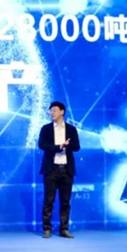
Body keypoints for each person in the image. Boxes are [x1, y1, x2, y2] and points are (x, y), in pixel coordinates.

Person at [38, 101, 81, 239]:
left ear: (62, 112)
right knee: (48, 200)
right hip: (51, 169)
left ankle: (64, 229)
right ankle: (46, 229)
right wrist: (58, 147)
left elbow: (77, 147)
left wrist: (67, 145)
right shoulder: (46, 128)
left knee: (65, 201)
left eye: (54, 110)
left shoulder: (71, 129)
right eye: (50, 111)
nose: (52, 113)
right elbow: (41, 144)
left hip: (66, 170)